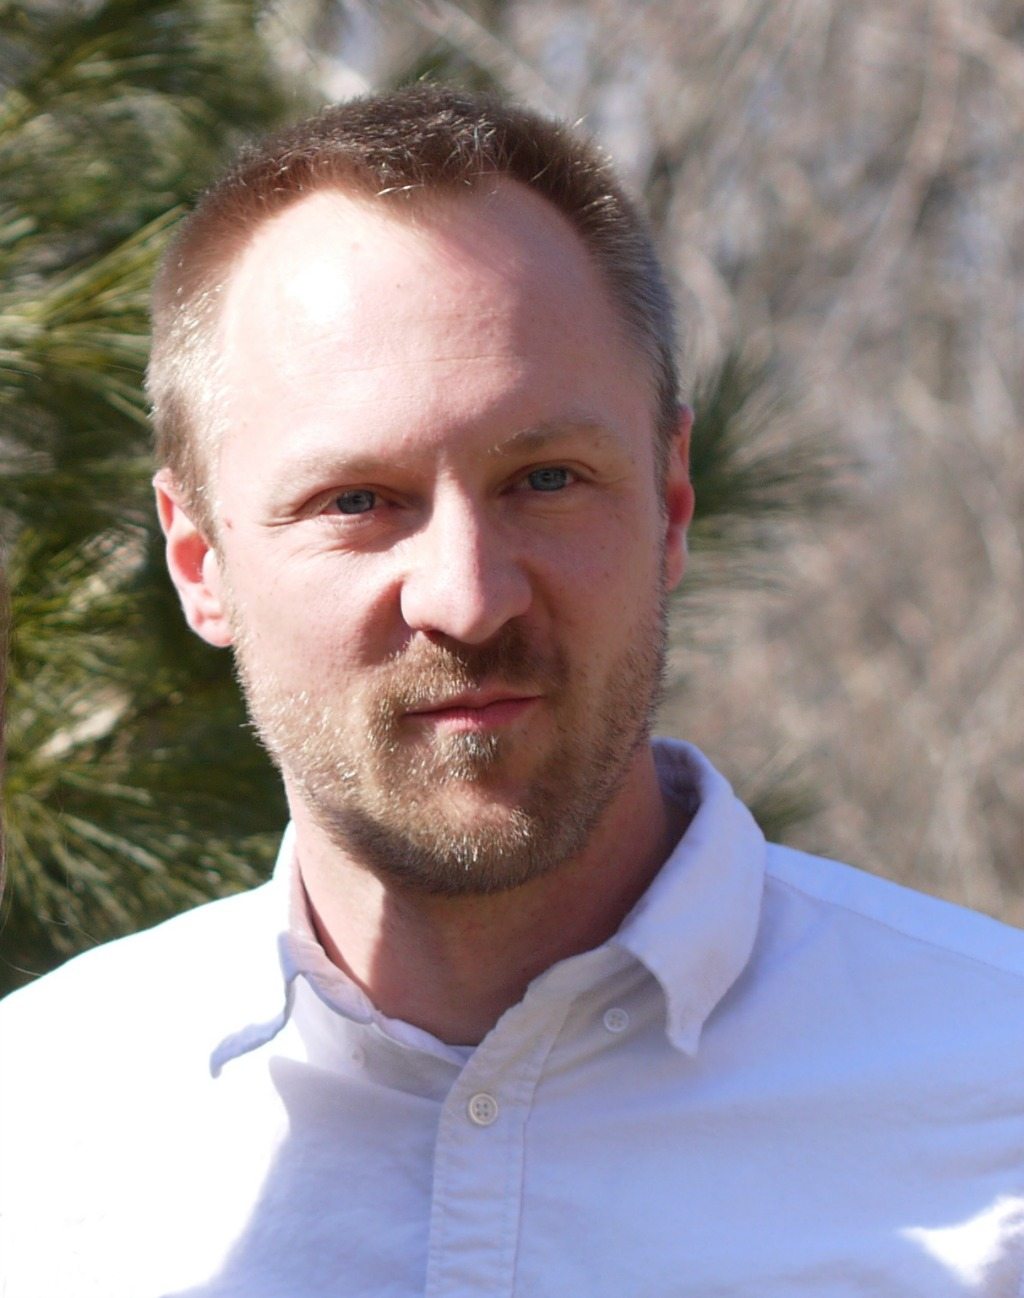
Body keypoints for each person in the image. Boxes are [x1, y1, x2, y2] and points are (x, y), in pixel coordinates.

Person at [2, 83, 1024, 1298]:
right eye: (355, 500)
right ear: (198, 560)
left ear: (671, 504)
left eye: (545, 478)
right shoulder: (37, 1140)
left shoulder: (994, 1100)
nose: (468, 596)